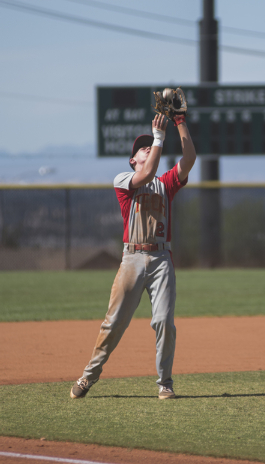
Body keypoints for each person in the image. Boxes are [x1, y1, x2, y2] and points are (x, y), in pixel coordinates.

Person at [70, 110, 196, 400]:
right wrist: (158, 136)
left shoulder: (166, 184)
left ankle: (165, 383)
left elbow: (188, 160)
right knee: (113, 323)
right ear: (132, 160)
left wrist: (179, 122)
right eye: (142, 147)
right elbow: (147, 173)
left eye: (149, 145)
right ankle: (88, 376)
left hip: (162, 259)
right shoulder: (123, 180)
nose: (148, 147)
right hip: (132, 259)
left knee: (164, 321)